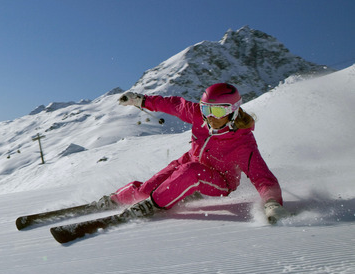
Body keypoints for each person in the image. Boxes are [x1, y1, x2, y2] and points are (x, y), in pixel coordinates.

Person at [97, 82, 285, 223]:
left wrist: (271, 204)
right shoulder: (199, 116)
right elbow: (173, 105)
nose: (210, 117)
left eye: (218, 112)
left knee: (192, 172)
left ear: (233, 112)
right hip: (187, 163)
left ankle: (152, 205)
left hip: (221, 181)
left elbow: (263, 178)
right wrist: (140, 100)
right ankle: (115, 199)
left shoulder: (243, 143)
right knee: (147, 189)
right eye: (206, 109)